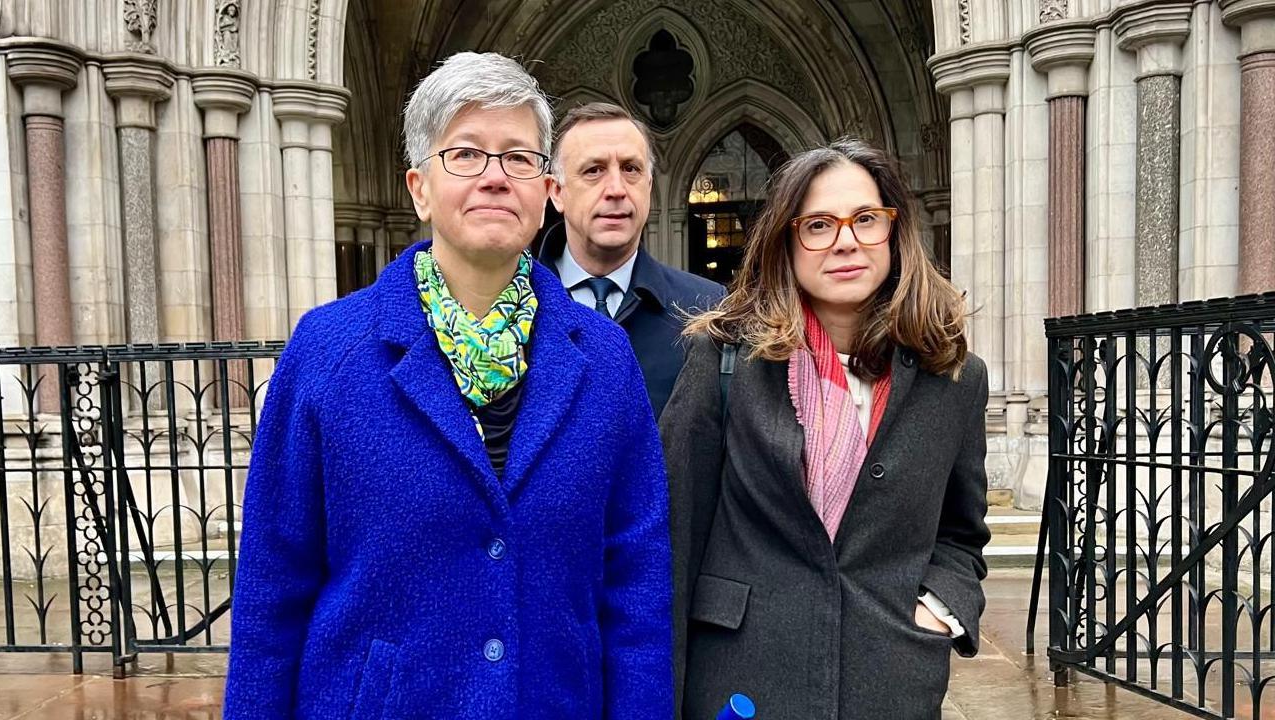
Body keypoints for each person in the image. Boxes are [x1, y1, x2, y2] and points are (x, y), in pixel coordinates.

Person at [223, 53, 672, 719]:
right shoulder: (328, 350)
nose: (495, 176)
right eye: (465, 154)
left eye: (518, 157)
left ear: (546, 189)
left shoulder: (604, 358)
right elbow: (273, 585)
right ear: (420, 188)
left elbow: (636, 583)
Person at [661, 138, 990, 719]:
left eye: (865, 219)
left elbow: (960, 535)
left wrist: (939, 610)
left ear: (894, 231)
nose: (845, 241)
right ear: (786, 243)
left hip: (889, 681)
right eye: (817, 225)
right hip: (744, 678)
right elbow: (673, 533)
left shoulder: (953, 379)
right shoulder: (725, 359)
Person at [539, 102, 724, 418]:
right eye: (594, 170)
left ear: (648, 187)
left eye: (631, 169)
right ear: (556, 192)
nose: (616, 189)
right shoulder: (514, 305)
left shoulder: (706, 309)